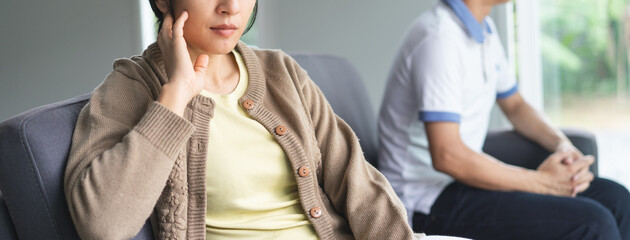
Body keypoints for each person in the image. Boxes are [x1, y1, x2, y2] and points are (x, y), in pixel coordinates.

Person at [63, 0, 424, 239]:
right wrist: (175, 94)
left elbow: (357, 183)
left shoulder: (281, 72)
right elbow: (103, 225)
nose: (231, 7)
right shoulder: (131, 87)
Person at [378, 0, 630, 239]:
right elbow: (447, 155)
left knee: (617, 199)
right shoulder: (438, 39)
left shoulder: (484, 30)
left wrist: (562, 145)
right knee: (593, 223)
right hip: (424, 201)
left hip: (463, 182)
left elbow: (516, 105)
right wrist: (542, 183)